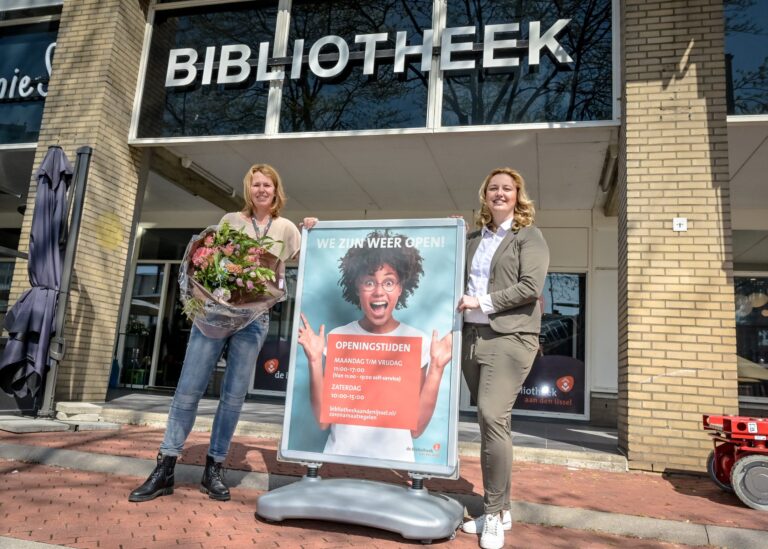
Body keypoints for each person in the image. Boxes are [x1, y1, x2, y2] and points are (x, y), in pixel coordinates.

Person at [129, 163, 316, 503]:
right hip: (214, 318)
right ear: (249, 189)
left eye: (267, 185)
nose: (262, 190)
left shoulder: (287, 228)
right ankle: (165, 466)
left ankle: (214, 467)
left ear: (276, 191)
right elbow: (210, 265)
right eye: (256, 184)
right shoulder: (231, 221)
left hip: (255, 321)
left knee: (232, 397)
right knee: (188, 389)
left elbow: (309, 258)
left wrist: (312, 230)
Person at [297, 230, 453, 462]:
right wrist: (313, 361)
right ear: (357, 288)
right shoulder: (339, 337)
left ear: (401, 288)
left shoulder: (416, 340)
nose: (379, 291)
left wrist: (437, 368)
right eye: (369, 282)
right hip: (340, 460)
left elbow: (416, 429)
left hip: (395, 463)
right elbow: (322, 420)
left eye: (389, 282)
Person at [457, 168, 549, 549]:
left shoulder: (528, 236)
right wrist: (451, 236)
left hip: (510, 337)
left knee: (492, 417)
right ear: (485, 195)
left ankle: (492, 515)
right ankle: (504, 506)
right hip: (473, 338)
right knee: (496, 424)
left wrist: (482, 302)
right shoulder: (474, 238)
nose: (499, 193)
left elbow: (530, 286)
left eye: (506, 189)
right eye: (493, 188)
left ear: (517, 196)